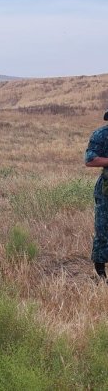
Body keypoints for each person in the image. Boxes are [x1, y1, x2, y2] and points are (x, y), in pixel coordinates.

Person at [85, 108, 108, 280]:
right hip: (106, 190)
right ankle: (101, 275)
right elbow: (90, 160)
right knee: (103, 230)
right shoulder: (100, 135)